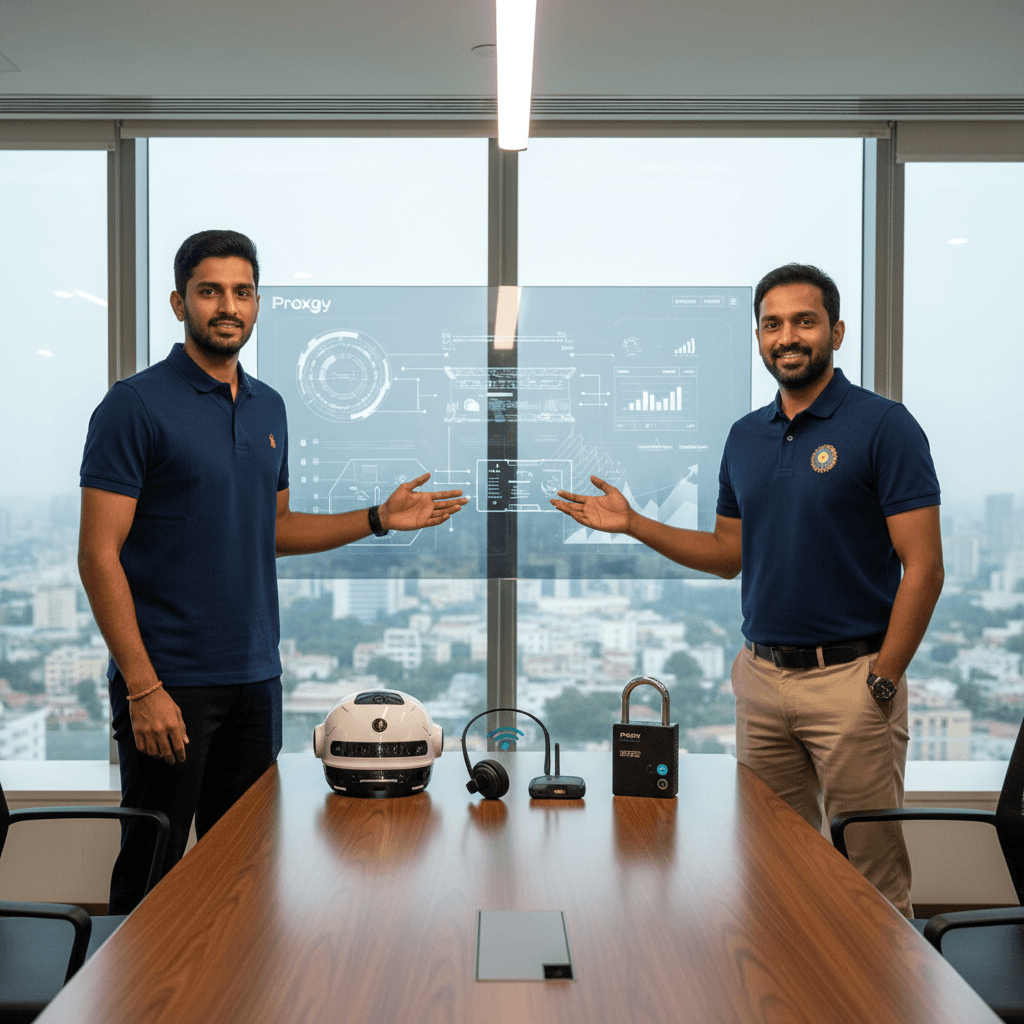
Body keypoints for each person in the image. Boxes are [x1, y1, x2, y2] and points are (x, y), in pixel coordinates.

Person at [79, 229, 467, 913]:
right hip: (169, 684)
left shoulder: (270, 408)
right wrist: (142, 688)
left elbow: (276, 530)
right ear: (179, 303)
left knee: (247, 878)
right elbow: (97, 553)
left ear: (257, 303)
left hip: (256, 679)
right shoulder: (133, 406)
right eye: (209, 291)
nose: (227, 306)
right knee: (151, 875)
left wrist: (378, 517)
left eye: (242, 291)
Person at [551, 263, 943, 917]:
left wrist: (883, 679)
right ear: (759, 337)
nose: (787, 336)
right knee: (773, 866)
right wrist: (634, 524)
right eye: (772, 324)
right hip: (761, 681)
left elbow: (924, 566)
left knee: (870, 881)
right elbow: (727, 555)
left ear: (836, 332)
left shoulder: (884, 426)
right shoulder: (744, 436)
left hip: (850, 680)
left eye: (804, 321)